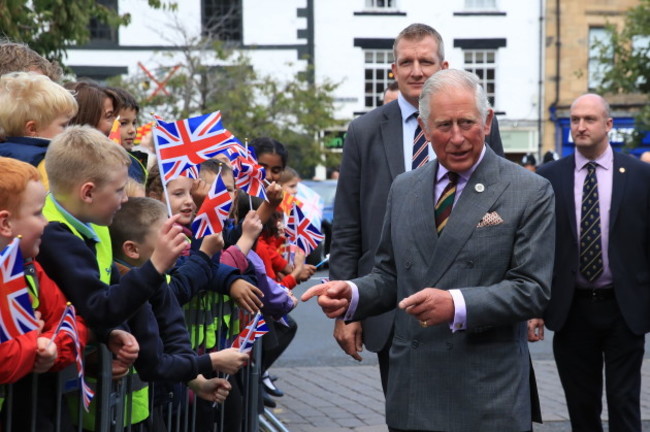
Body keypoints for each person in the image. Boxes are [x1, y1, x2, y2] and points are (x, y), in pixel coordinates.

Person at [303, 69, 554, 431]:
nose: (456, 138)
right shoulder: (405, 188)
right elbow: (390, 275)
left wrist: (455, 304)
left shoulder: (528, 190)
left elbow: (532, 290)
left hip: (487, 394)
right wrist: (353, 294)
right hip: (414, 391)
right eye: (443, 125)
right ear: (423, 127)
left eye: (466, 123)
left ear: (486, 122)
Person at [329, 23, 506, 395]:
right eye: (405, 62)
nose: (416, 71)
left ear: (443, 67)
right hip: (390, 307)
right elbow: (347, 226)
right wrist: (349, 310)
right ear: (393, 70)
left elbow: (501, 206)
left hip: (466, 299)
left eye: (425, 61)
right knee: (406, 415)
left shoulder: (478, 124)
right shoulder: (364, 131)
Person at [531, 93, 650, 432]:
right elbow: (538, 245)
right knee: (581, 407)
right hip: (572, 310)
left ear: (609, 125)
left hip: (623, 308)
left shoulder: (641, 176)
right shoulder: (548, 177)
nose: (580, 126)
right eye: (575, 120)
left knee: (624, 403)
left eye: (589, 119)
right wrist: (536, 306)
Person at [0, 71, 78, 189]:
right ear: (32, 129)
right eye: (63, 125)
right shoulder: (46, 162)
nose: (68, 131)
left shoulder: (3, 153)